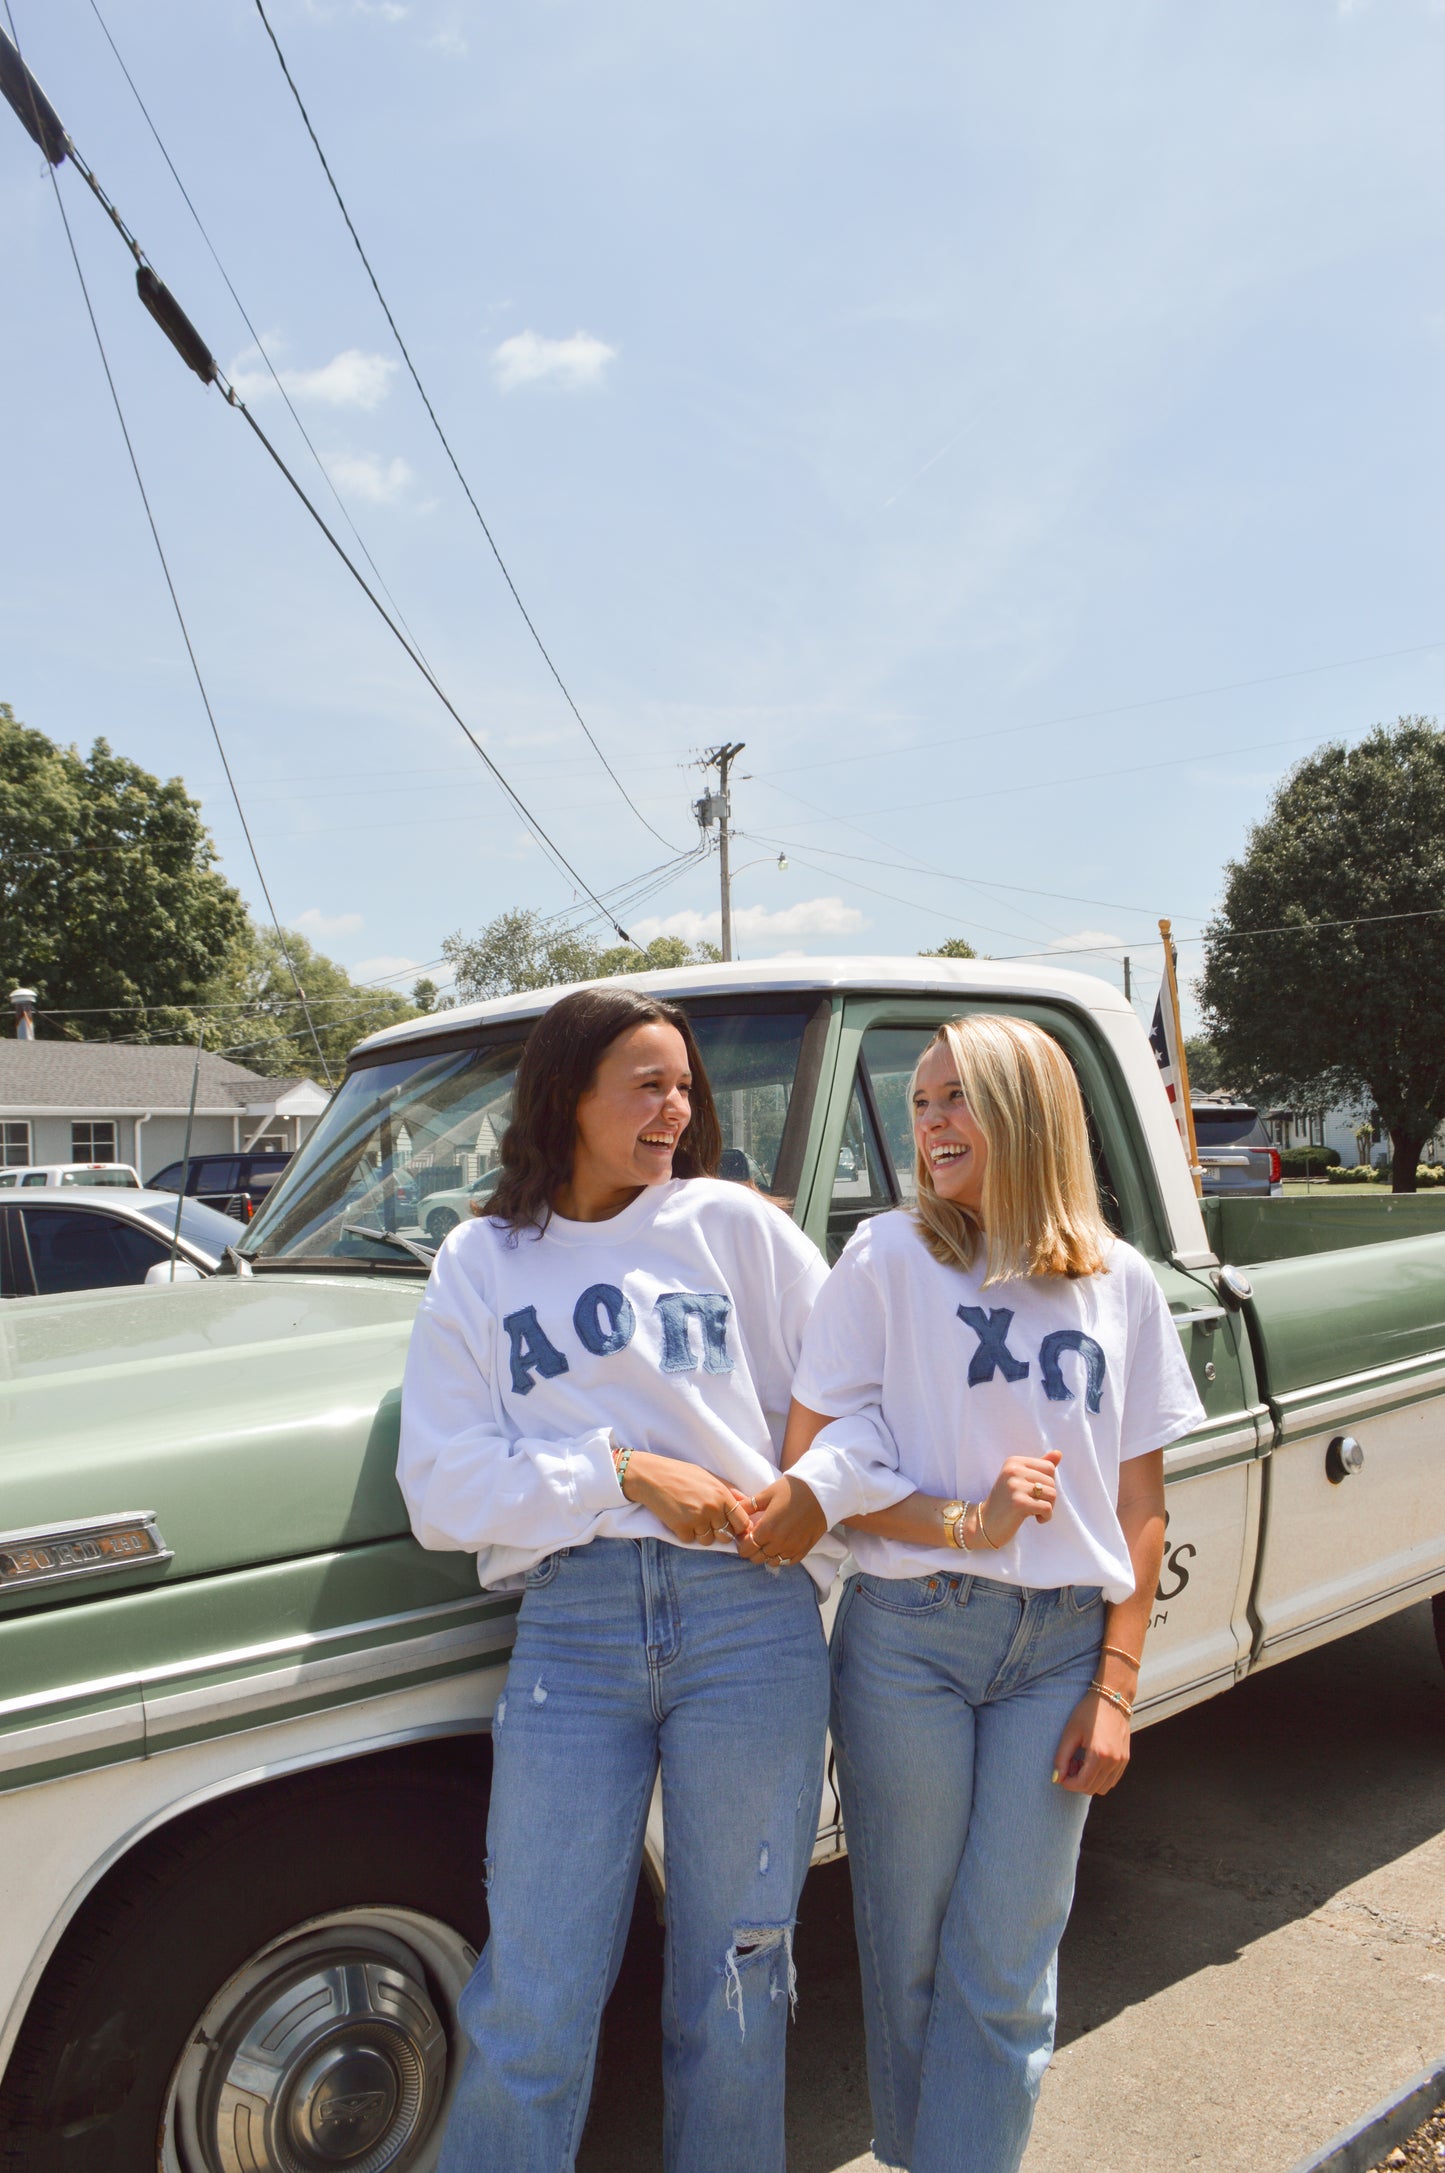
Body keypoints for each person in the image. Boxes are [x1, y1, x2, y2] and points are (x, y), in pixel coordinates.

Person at [751, 1013, 1205, 2173]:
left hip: (1058, 1652)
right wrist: (966, 1519)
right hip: (906, 1639)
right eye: (920, 1102)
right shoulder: (886, 1259)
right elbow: (821, 1475)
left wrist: (1115, 1683)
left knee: (1004, 1964)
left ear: (1026, 1110)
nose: (931, 1121)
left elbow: (1138, 1508)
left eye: (957, 1097)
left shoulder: (1123, 1286)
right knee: (905, 1951)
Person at [397, 984, 836, 2173]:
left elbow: (850, 1395)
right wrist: (624, 1470)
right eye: (648, 1083)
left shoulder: (731, 1227)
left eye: (684, 1086)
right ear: (567, 1095)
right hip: (573, 1629)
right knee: (533, 1981)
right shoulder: (481, 1259)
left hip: (748, 1618)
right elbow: (438, 1487)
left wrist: (814, 1493)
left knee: (737, 1971)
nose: (676, 1108)